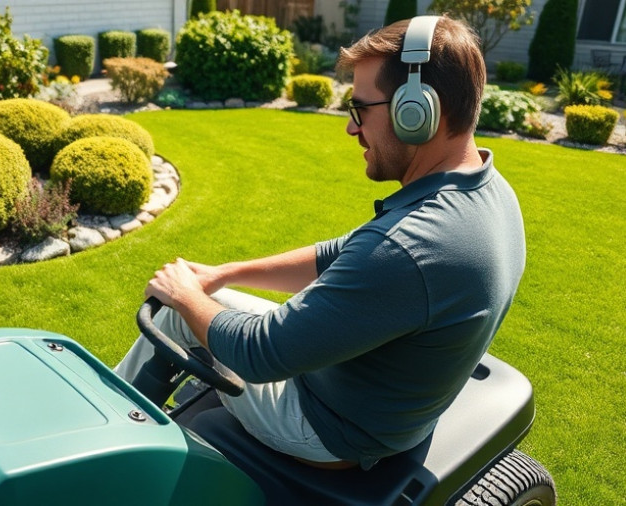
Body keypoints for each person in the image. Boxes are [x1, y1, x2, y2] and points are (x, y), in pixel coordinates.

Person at [116, 15, 526, 475]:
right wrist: (221, 274)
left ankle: (101, 440)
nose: (352, 128)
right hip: (380, 406)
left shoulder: (410, 248)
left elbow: (261, 354)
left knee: (175, 310)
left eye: (360, 109)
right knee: (198, 299)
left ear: (417, 111)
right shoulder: (487, 191)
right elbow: (339, 253)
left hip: (328, 430)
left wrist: (186, 293)